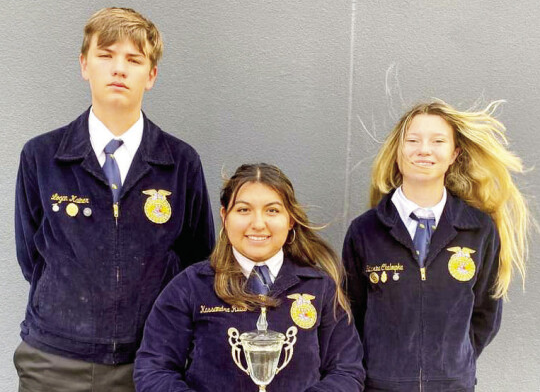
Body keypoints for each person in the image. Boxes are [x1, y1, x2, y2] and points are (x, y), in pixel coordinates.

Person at [14, 7, 215, 391]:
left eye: (133, 59)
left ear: (151, 75)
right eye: (105, 55)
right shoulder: (41, 156)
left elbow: (196, 258)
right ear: (84, 64)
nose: (118, 69)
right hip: (54, 361)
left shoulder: (180, 162)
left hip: (150, 361)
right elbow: (33, 257)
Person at [343, 100, 531, 391]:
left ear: (454, 153)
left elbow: (486, 312)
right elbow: (351, 314)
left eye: (438, 141)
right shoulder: (365, 231)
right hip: (380, 386)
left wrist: (452, 367)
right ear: (398, 151)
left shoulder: (478, 229)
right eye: (413, 140)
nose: (424, 150)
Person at [134, 163, 364, 391]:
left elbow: (347, 372)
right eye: (243, 210)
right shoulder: (190, 287)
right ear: (224, 216)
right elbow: (154, 370)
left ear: (290, 219)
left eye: (272, 210)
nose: (258, 224)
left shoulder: (320, 288)